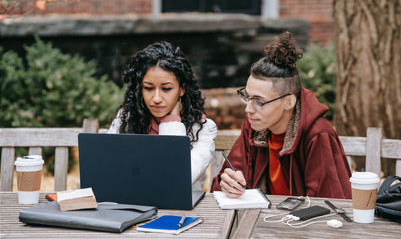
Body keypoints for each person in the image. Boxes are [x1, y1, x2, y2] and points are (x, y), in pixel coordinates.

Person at [211, 31, 352, 199]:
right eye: (247, 97)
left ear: (288, 102)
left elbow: (328, 203)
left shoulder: (318, 135)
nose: (248, 109)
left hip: (300, 222)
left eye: (259, 101)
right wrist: (226, 182)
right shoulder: (255, 123)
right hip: (262, 218)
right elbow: (228, 179)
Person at [108, 41, 217, 192]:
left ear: (181, 89)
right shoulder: (126, 119)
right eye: (148, 88)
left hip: (180, 210)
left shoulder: (203, 128)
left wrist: (171, 121)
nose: (157, 98)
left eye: (166, 89)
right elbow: (111, 170)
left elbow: (177, 179)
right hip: (131, 205)